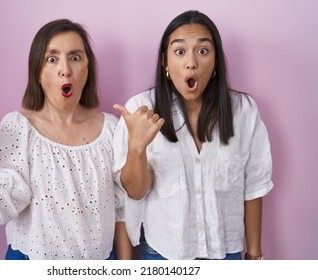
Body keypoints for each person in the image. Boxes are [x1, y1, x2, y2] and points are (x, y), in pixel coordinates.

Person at [0, 19, 131, 260]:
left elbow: (121, 210)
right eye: (52, 58)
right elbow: (0, 209)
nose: (65, 69)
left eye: (75, 57)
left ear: (87, 70)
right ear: (37, 72)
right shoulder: (19, 127)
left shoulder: (111, 129)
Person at [113, 10, 273, 260]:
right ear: (165, 62)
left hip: (226, 254)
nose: (191, 63)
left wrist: (254, 255)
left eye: (202, 50)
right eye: (179, 51)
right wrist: (136, 147)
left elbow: (253, 188)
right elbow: (134, 192)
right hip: (163, 255)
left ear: (216, 61)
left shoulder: (244, 112)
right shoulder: (140, 109)